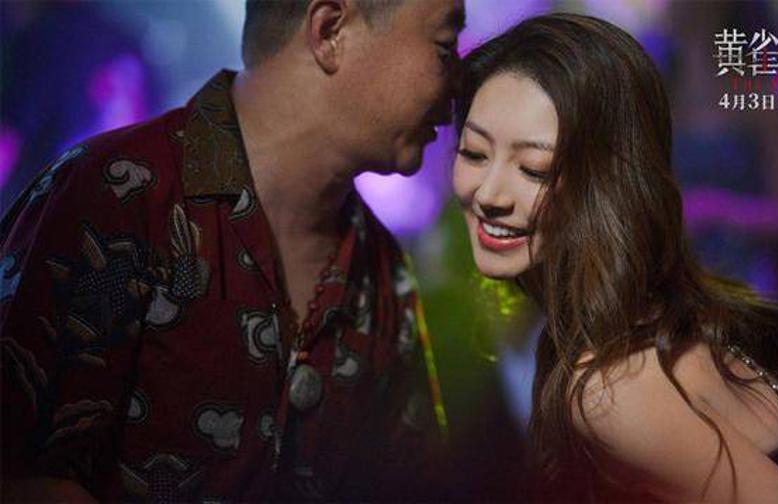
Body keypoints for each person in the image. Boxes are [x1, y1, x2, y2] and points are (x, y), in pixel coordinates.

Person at [1, 0, 465, 500]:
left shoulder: (382, 269)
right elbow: (19, 471)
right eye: (445, 46)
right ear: (330, 29)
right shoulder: (117, 195)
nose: (458, 87)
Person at [452, 13, 778, 502]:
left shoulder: (613, 384)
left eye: (533, 169)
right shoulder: (645, 327)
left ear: (606, 186)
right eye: (475, 153)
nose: (490, 194)